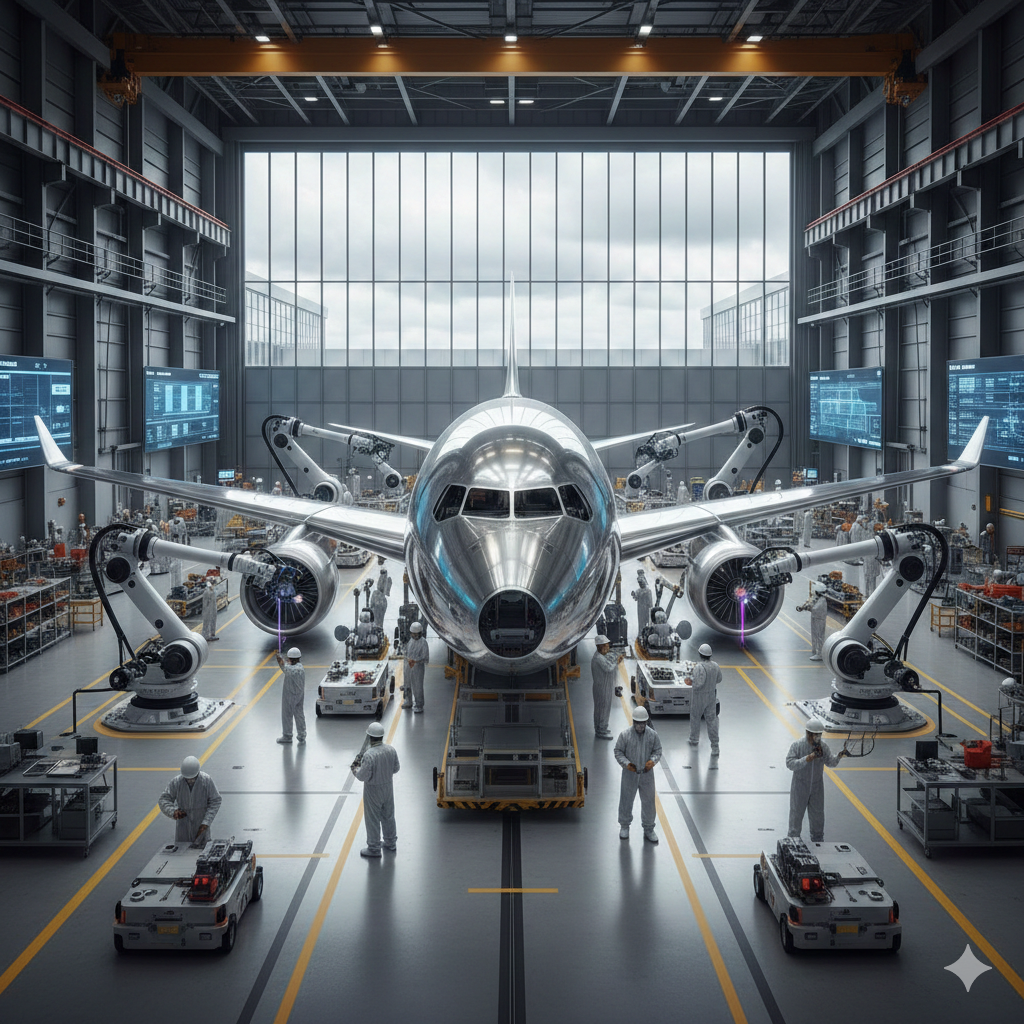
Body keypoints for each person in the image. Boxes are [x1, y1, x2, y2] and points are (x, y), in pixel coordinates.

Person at [786, 719, 848, 842]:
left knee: (818, 817)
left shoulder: (823, 747)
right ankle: (792, 842)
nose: (817, 737)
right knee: (796, 816)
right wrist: (807, 759)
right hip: (800, 787)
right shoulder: (797, 746)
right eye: (815, 735)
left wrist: (839, 755)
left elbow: (830, 762)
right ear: (808, 733)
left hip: (817, 788)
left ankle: (818, 842)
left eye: (819, 735)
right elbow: (790, 764)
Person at [614, 705, 663, 843]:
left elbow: (658, 750)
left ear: (646, 722)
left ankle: (649, 828)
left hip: (647, 775)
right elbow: (618, 751)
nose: (640, 726)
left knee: (648, 802)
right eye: (638, 723)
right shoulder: (625, 735)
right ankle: (624, 826)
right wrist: (626, 764)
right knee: (626, 800)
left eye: (643, 723)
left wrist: (652, 761)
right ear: (634, 721)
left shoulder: (652, 735)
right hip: (630, 774)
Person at [352, 721, 400, 857]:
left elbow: (362, 776)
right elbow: (396, 769)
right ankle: (391, 842)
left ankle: (374, 848)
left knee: (372, 818)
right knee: (388, 815)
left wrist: (355, 769)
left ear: (370, 737)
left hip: (373, 791)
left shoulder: (369, 755)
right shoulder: (391, 750)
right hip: (388, 788)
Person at [158, 756, 222, 845]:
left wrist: (206, 823)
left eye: (193, 778)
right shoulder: (177, 782)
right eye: (187, 779)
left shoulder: (206, 781)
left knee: (201, 853)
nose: (190, 780)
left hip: (201, 826)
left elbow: (215, 801)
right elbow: (164, 799)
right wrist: (173, 811)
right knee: (182, 853)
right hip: (183, 828)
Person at [688, 643, 721, 762]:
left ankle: (694, 739)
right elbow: (719, 679)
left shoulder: (699, 667)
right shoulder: (715, 666)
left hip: (699, 697)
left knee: (695, 717)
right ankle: (715, 747)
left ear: (700, 654)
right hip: (711, 697)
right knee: (712, 721)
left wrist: (690, 681)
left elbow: (697, 684)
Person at [591, 634, 624, 739]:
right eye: (606, 646)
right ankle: (601, 731)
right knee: (602, 709)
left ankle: (602, 727)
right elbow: (609, 668)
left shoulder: (601, 656)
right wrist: (617, 660)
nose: (608, 647)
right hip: (602, 688)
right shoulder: (598, 658)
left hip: (604, 687)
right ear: (599, 646)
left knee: (603, 709)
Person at [276, 646, 306, 744]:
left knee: (287, 715)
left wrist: (280, 660)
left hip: (290, 695)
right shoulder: (301, 667)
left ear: (291, 659)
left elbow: (286, 668)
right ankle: (302, 735)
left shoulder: (292, 670)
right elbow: (287, 667)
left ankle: (287, 736)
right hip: (299, 695)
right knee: (299, 714)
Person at [797, 582, 828, 661]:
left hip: (819, 620)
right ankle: (814, 650)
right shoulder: (817, 598)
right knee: (814, 635)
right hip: (815, 618)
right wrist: (802, 607)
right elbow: (810, 602)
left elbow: (814, 609)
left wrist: (807, 608)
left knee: (819, 636)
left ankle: (819, 654)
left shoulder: (822, 600)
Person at [403, 621, 429, 712]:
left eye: (415, 634)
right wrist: (407, 658)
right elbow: (406, 651)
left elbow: (425, 657)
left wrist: (416, 661)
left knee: (417, 686)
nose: (414, 636)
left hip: (418, 668)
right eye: (412, 634)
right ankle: (408, 701)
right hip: (408, 666)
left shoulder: (423, 643)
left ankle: (419, 705)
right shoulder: (410, 641)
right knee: (407, 684)